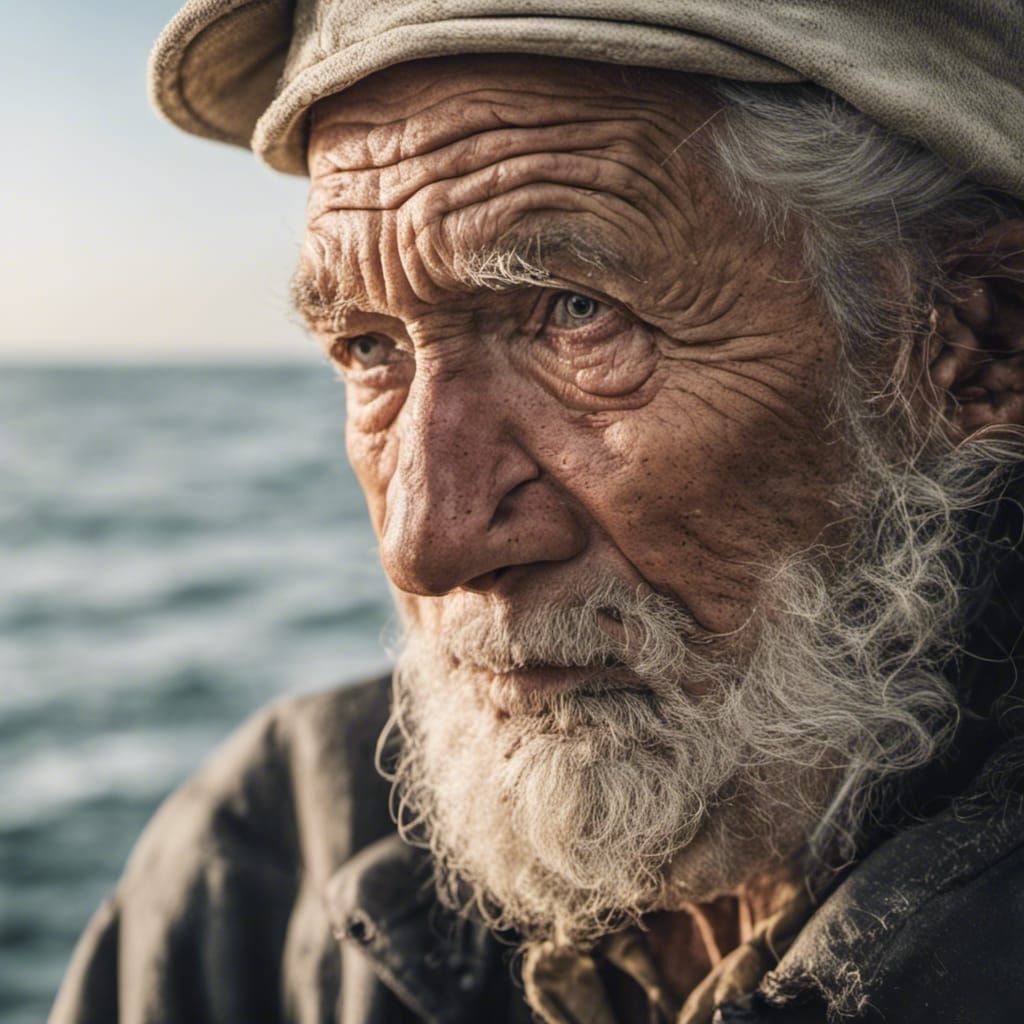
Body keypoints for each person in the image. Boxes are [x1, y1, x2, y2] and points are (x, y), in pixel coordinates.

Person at [51, 2, 1024, 1022]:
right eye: (370, 348)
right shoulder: (265, 853)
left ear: (978, 341)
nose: (424, 541)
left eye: (574, 314)